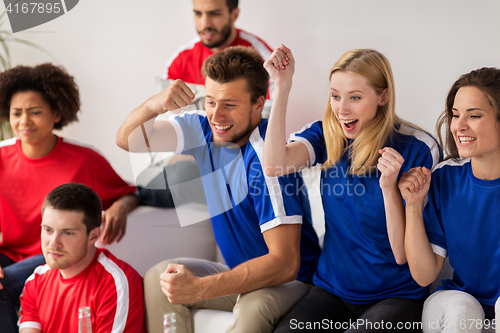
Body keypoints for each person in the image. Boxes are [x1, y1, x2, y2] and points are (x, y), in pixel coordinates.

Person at [116, 46, 321, 333]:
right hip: (240, 274)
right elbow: (128, 141)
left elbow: (285, 263)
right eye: (211, 102)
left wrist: (200, 288)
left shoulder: (267, 160)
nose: (217, 115)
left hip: (292, 283)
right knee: (161, 279)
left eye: (229, 104)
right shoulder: (202, 130)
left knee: (254, 306)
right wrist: (154, 106)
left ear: (258, 104)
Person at [263, 45, 440, 332]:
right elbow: (274, 166)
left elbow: (401, 255)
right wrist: (282, 85)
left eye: (355, 98)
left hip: (397, 297)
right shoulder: (326, 133)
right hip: (333, 290)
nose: (342, 109)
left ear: (383, 97)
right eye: (335, 96)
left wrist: (389, 188)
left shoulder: (419, 148)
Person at [0, 63, 138, 333]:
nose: (24, 121)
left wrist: (120, 207)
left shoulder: (85, 160)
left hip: (51, 252)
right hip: (8, 254)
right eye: (16, 113)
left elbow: (129, 191)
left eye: (35, 112)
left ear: (57, 113)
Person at [137, 0, 274, 209]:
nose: (205, 23)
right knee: (172, 173)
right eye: (198, 14)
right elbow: (165, 125)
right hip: (187, 161)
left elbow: (266, 126)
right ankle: (130, 197)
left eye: (214, 14)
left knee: (182, 175)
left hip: (240, 160)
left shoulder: (262, 58)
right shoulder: (181, 59)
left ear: (234, 14)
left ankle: (132, 197)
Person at [399, 67, 500, 333]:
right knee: (460, 312)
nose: (458, 126)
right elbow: (424, 274)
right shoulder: (445, 177)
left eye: (474, 115)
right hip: (456, 299)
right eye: (455, 115)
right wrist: (413, 206)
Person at [18, 183, 145, 333]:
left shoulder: (116, 284)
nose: (54, 243)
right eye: (48, 230)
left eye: (68, 233)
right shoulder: (35, 282)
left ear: (93, 236)